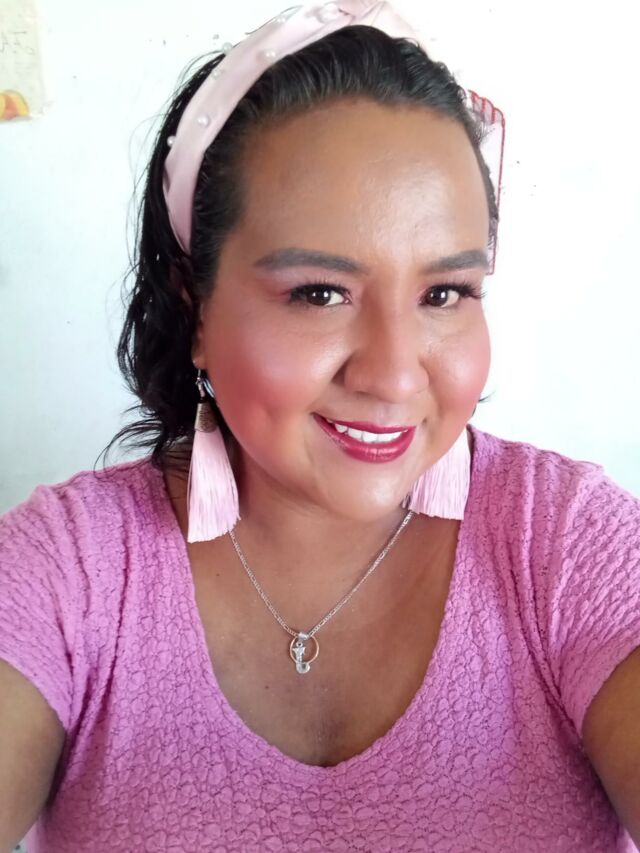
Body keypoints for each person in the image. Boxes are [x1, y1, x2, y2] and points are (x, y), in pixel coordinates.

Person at [1, 2, 639, 851]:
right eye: (320, 293)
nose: (394, 373)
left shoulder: (565, 544)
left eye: (444, 292)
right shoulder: (72, 568)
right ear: (194, 308)